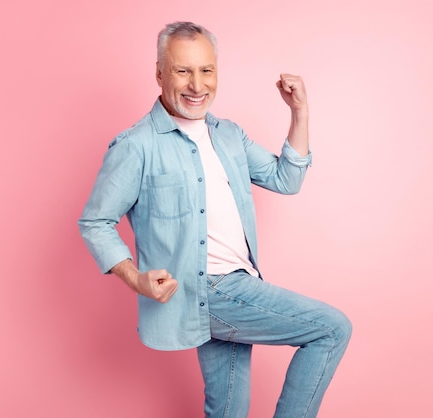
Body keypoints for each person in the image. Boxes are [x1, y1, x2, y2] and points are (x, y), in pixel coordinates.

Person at [78, 21, 352, 417]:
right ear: (159, 74)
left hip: (237, 283)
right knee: (331, 328)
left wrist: (300, 113)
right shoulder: (136, 145)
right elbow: (95, 221)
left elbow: (285, 179)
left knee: (227, 410)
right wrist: (135, 278)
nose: (196, 85)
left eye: (206, 70)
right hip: (206, 290)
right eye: (182, 70)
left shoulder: (229, 135)